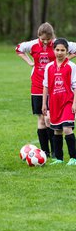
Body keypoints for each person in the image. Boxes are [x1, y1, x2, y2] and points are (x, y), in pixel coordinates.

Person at [16, 22, 76, 157]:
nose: (45, 42)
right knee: (42, 119)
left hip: (55, 87)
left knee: (50, 118)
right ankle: (45, 152)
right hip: (37, 85)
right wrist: (29, 62)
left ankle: (56, 151)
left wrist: (66, 59)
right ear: (38, 36)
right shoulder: (32, 45)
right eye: (42, 39)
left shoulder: (57, 44)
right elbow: (18, 48)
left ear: (52, 37)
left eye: (48, 40)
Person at [42, 38, 76, 165]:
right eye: (57, 50)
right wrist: (44, 104)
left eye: (63, 50)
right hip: (54, 103)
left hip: (68, 101)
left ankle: (74, 157)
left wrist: (74, 103)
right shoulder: (49, 67)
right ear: (53, 50)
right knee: (57, 130)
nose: (60, 52)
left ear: (67, 52)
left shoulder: (72, 67)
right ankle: (59, 159)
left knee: (67, 128)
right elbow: (45, 86)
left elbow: (75, 86)